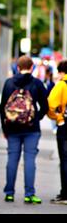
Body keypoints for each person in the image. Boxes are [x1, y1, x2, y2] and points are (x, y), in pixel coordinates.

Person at [0, 56, 48, 204]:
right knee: (29, 160)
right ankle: (29, 194)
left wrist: (5, 128)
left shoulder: (9, 83)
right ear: (32, 67)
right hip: (31, 129)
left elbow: (3, 108)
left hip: (12, 128)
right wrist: (35, 119)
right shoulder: (37, 83)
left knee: (12, 159)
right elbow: (45, 107)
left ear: (18, 67)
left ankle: (9, 193)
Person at [47, 59, 67, 205]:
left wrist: (57, 118)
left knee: (65, 160)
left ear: (61, 72)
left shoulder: (61, 85)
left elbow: (51, 105)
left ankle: (65, 194)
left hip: (65, 126)